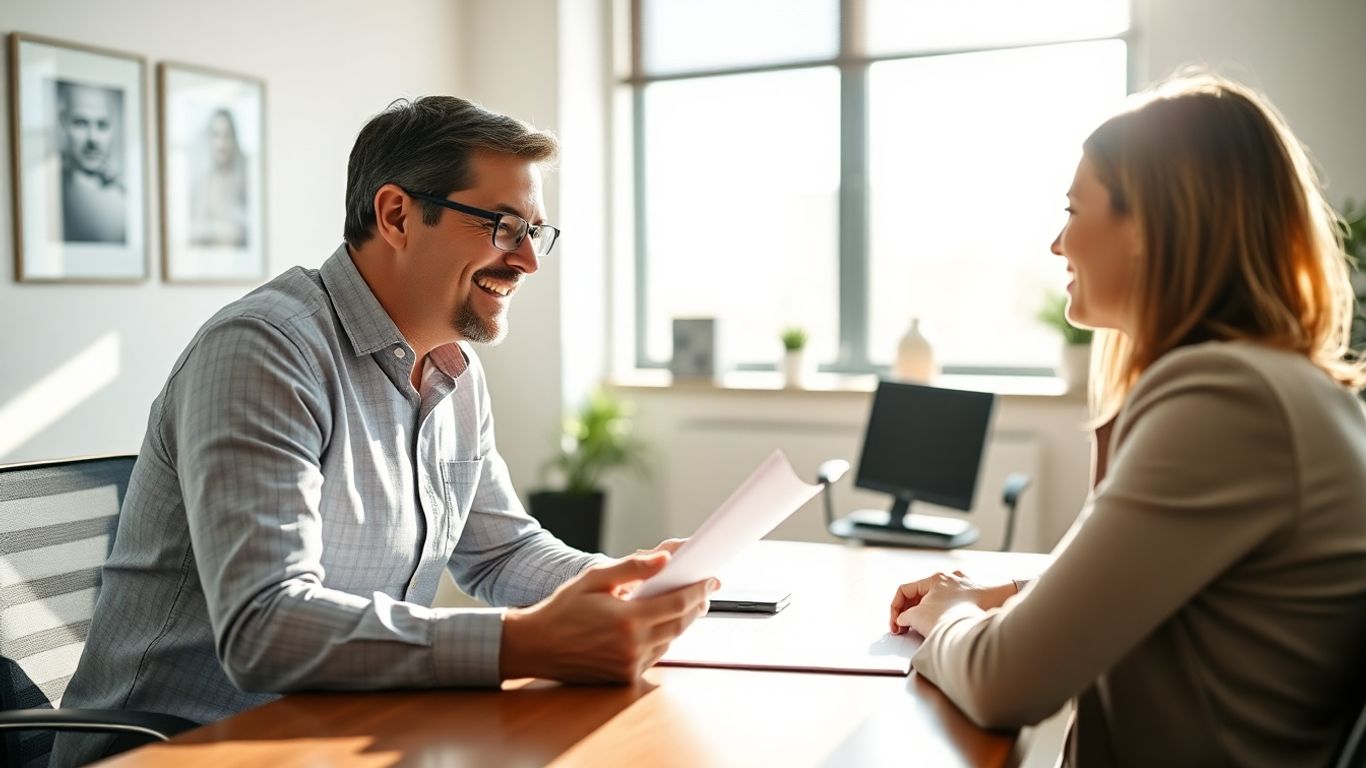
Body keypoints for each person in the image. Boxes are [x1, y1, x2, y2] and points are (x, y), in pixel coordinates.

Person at [53, 96, 716, 765]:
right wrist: (525, 642)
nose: (528, 262)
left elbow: (499, 554)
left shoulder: (455, 371)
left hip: (343, 733)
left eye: (534, 232)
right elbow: (265, 626)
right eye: (504, 226)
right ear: (397, 215)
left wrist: (632, 590)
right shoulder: (264, 349)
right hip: (177, 749)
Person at [888, 74, 1366, 767]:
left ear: (1146, 223)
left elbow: (1003, 684)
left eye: (1074, 209)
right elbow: (1188, 587)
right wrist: (1018, 593)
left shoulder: (1225, 402)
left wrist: (946, 618)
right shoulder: (1279, 386)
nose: (1058, 244)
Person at [56, 79, 126, 244]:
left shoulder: (126, 197)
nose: (92, 139)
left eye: (102, 125)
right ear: (63, 123)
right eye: (80, 123)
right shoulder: (48, 192)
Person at [188, 108, 249, 247]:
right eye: (216, 135)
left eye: (227, 135)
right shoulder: (202, 184)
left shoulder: (244, 182)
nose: (221, 144)